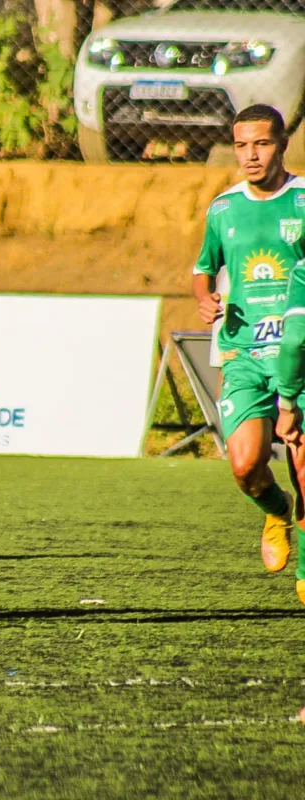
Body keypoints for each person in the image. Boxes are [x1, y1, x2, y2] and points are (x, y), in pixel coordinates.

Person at [193, 104, 305, 591]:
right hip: (241, 355)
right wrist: (205, 298)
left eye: (260, 143)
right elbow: (203, 267)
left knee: (303, 464)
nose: (250, 155)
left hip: (298, 355)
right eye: (241, 145)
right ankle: (276, 512)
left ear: (281, 144)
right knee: (244, 466)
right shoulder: (223, 208)